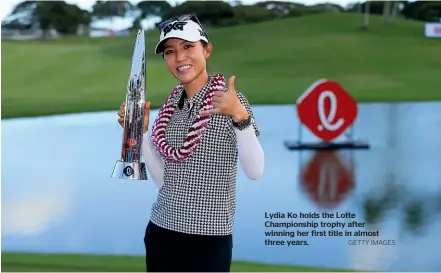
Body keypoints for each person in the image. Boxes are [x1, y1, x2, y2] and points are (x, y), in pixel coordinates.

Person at [117, 14, 265, 272]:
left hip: (209, 238)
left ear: (206, 50)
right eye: (170, 51)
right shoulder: (169, 108)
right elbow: (166, 181)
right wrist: (140, 133)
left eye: (188, 46)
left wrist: (239, 117)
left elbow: (255, 171)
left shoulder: (231, 100)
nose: (180, 57)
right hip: (162, 230)